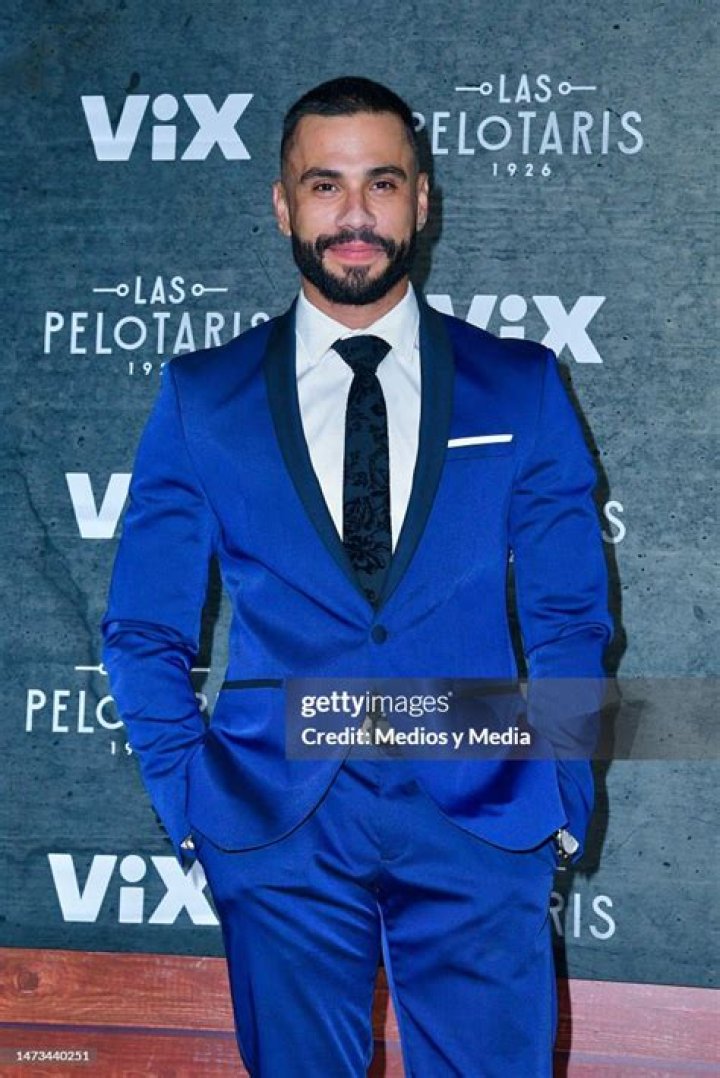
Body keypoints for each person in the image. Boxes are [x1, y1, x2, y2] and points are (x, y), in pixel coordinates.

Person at [102, 76, 612, 1077]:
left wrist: (560, 791)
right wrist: (193, 805)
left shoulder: (520, 385)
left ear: (422, 199)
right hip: (276, 820)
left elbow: (569, 619)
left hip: (483, 810)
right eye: (324, 185)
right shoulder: (204, 396)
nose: (354, 216)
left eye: (380, 183)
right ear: (282, 203)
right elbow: (142, 630)